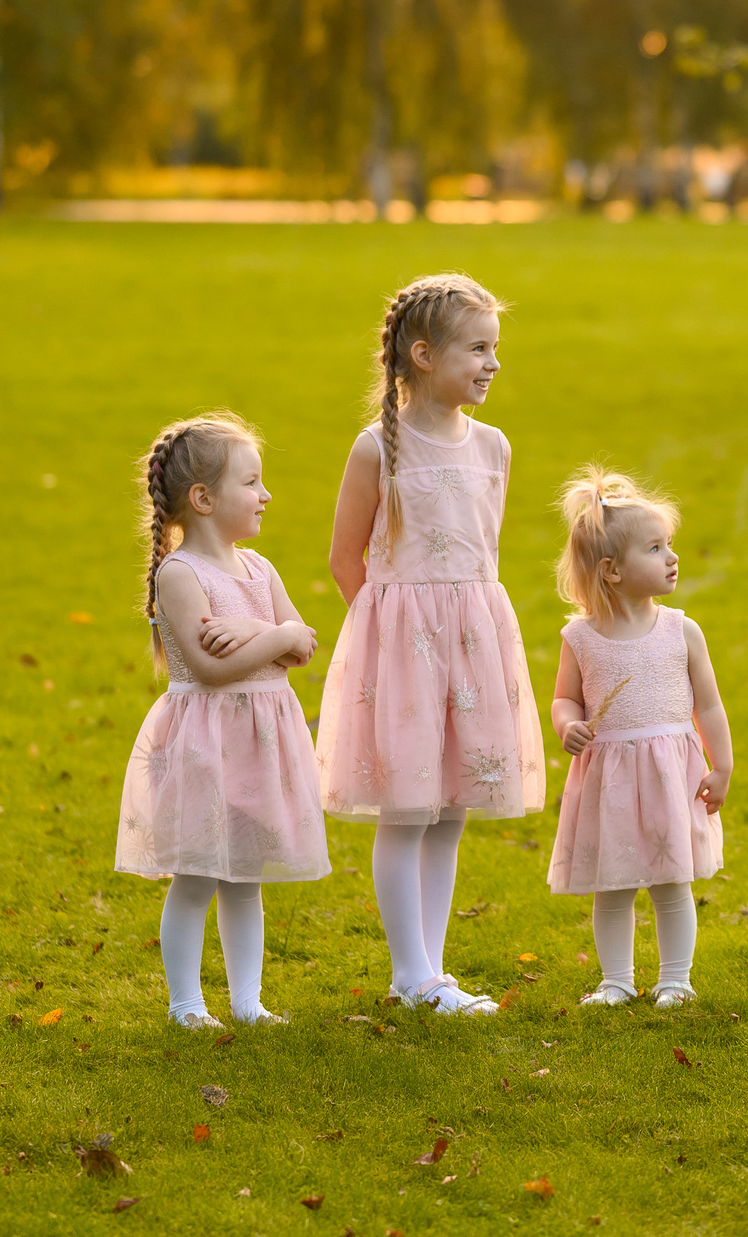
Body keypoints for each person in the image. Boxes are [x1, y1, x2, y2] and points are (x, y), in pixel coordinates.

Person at [317, 273, 546, 1015]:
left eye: (495, 349)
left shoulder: (495, 447)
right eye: (477, 349)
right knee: (407, 809)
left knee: (451, 808)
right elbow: (345, 559)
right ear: (422, 354)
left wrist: (465, 633)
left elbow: (480, 557)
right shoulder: (377, 449)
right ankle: (410, 971)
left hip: (474, 646)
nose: (493, 363)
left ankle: (429, 972)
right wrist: (389, 640)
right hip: (404, 652)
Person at [115, 412, 330, 1031]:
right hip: (206, 741)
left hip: (259, 741)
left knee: (244, 877)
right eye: (252, 483)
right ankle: (187, 1004)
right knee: (197, 874)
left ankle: (247, 1002)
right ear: (204, 499)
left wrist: (263, 632)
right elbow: (211, 670)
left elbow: (301, 644)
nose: (266, 495)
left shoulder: (260, 569)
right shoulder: (179, 574)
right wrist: (278, 636)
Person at [545, 468, 735, 1009]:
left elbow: (709, 705)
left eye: (668, 544)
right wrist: (567, 725)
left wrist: (720, 766)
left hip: (671, 772)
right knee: (614, 885)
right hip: (610, 778)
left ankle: (676, 978)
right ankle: (617, 981)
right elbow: (565, 698)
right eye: (655, 548)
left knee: (672, 882)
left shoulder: (682, 630)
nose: (672, 556)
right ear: (611, 571)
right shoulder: (580, 637)